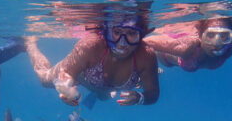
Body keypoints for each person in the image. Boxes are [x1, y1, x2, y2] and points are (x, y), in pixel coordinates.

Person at [25, 12, 159, 107]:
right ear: (106, 31)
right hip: (81, 76)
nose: (122, 43)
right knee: (44, 79)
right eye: (116, 32)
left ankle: (101, 93)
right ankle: (30, 45)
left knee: (104, 97)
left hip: (103, 89)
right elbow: (67, 73)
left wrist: (139, 98)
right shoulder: (91, 46)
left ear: (141, 35)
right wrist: (65, 88)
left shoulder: (146, 56)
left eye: (131, 33)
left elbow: (153, 94)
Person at [145, 16, 232, 72]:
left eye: (224, 36)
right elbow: (143, 42)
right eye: (210, 35)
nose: (217, 43)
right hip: (165, 59)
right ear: (200, 35)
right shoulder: (186, 49)